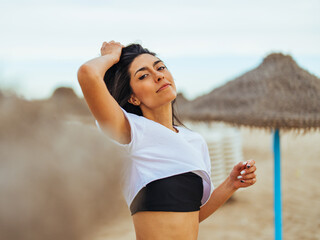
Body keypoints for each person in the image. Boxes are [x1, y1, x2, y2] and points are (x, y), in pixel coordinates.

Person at [77, 40, 257, 240]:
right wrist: (110, 57)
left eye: (160, 67)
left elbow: (193, 215)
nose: (159, 75)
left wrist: (231, 184)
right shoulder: (131, 132)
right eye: (144, 75)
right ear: (133, 98)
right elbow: (88, 74)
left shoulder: (194, 141)